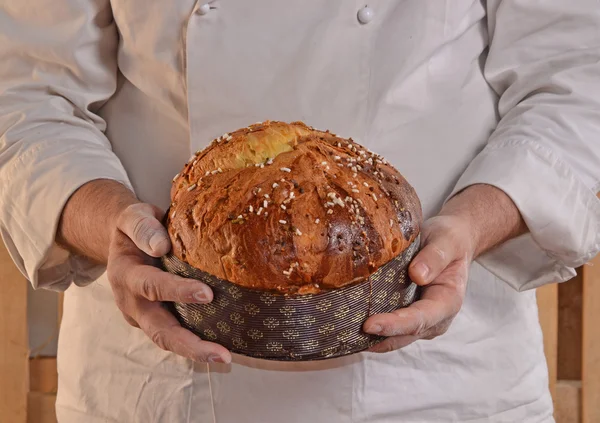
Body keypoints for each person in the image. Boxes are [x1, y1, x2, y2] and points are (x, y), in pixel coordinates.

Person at [1, 0, 599, 421]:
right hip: (160, 383)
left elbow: (577, 79)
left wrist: (470, 227)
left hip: (439, 385)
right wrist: (110, 224)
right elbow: (24, 92)